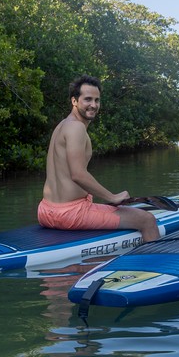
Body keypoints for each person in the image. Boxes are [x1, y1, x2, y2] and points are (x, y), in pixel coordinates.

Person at [38, 75, 160, 242]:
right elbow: (77, 174)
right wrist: (112, 197)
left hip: (45, 211)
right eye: (88, 99)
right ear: (74, 101)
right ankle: (150, 268)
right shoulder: (76, 128)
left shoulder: (63, 125)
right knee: (147, 220)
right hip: (71, 213)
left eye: (97, 100)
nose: (93, 105)